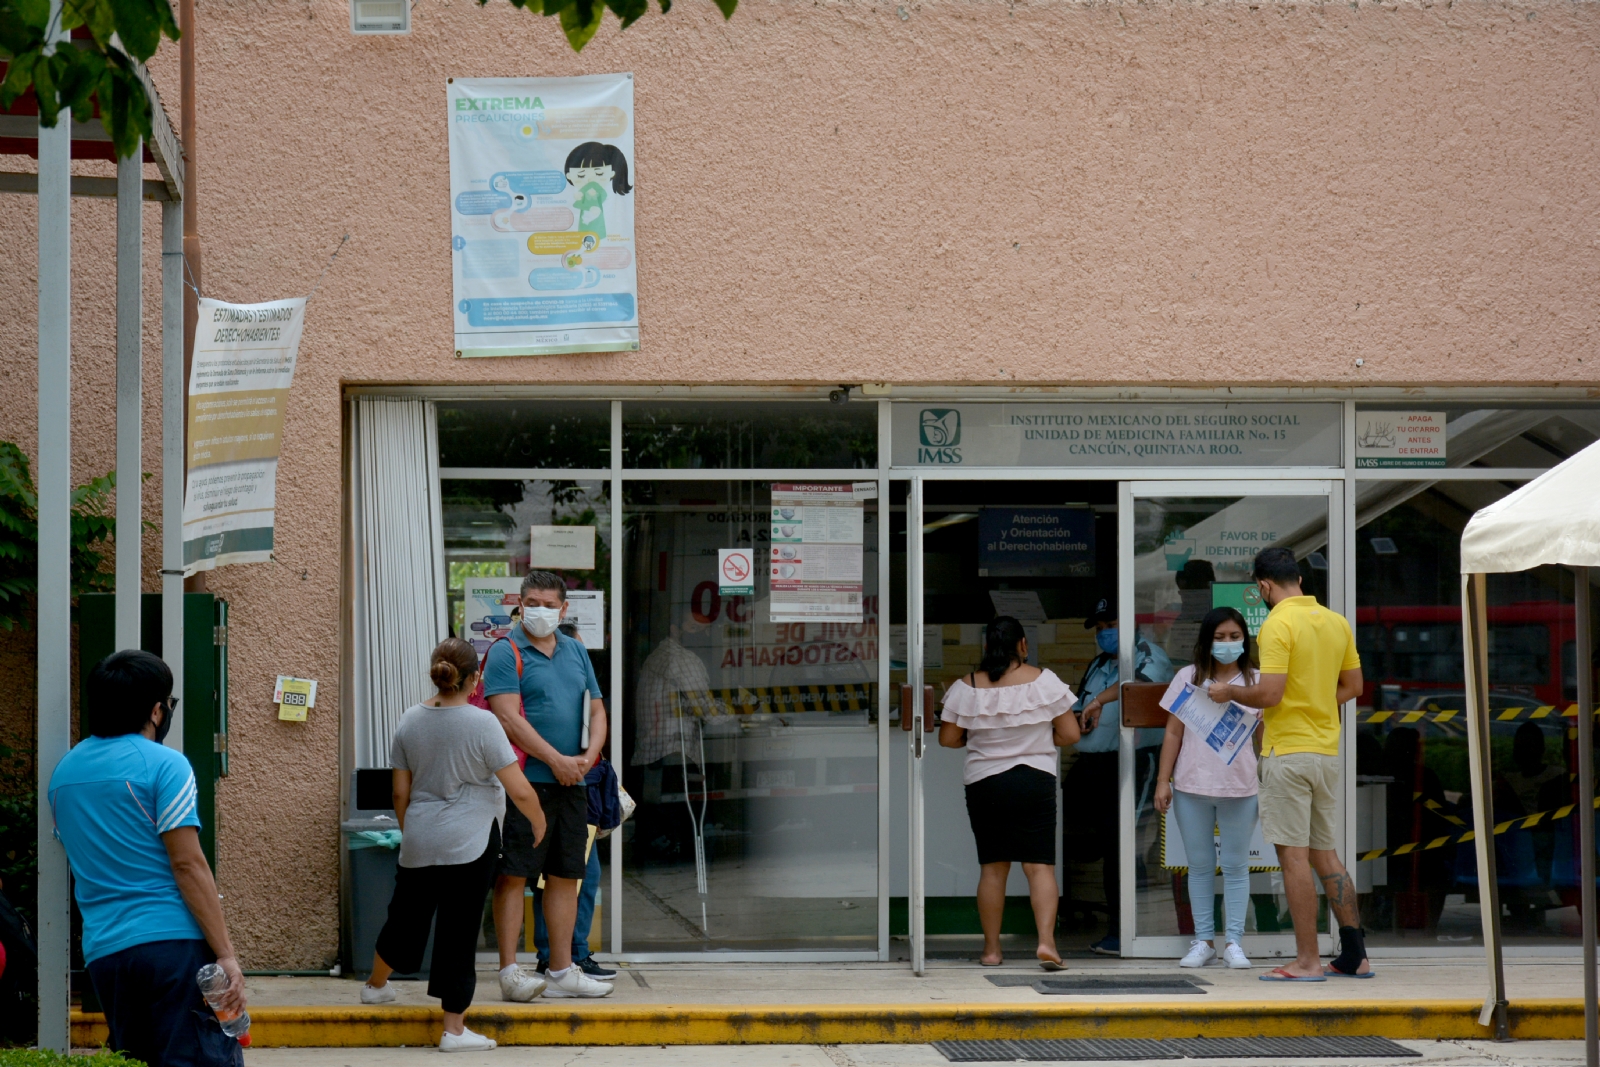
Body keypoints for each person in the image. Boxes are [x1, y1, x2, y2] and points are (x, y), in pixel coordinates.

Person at [47, 650, 247, 1067]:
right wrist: (226, 954)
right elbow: (187, 864)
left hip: (106, 955)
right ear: (157, 711)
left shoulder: (64, 774)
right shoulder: (165, 765)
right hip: (173, 949)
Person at [360, 638, 549, 1050]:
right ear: (474, 679)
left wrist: (414, 829)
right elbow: (517, 788)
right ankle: (454, 1029)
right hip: (470, 840)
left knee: (406, 916)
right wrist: (539, 821)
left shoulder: (410, 719)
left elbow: (398, 793)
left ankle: (376, 986)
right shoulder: (483, 724)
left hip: (421, 837)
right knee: (458, 931)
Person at [1208, 547, 1368, 981]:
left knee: (1293, 858)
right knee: (1326, 856)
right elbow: (1353, 686)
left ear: (1263, 585)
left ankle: (1307, 961)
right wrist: (1315, 702)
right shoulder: (1335, 621)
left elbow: (1270, 694)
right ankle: (1356, 955)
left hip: (1287, 755)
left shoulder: (1278, 622)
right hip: (1324, 754)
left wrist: (1229, 694)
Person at [484, 571, 613, 999]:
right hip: (525, 785)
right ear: (519, 604)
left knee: (564, 876)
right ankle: (509, 971)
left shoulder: (576, 649)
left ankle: (562, 970)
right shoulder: (506, 651)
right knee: (514, 875)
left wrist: (586, 760)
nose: (539, 610)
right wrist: (555, 760)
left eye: (548, 603)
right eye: (531, 602)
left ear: (564, 608)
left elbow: (596, 710)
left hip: (573, 783)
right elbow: (506, 717)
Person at [940, 616, 1081, 969]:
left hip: (986, 782)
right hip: (1034, 780)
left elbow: (948, 739)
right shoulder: (1045, 682)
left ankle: (991, 950)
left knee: (992, 869)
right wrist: (1039, 741)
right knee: (1039, 867)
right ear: (1023, 645)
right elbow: (1071, 735)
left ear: (987, 646)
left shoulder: (967, 686)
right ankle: (1047, 943)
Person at [1061, 596, 1173, 956]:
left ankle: (1126, 932)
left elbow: (1137, 689)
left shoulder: (1149, 655)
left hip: (1134, 764)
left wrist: (1099, 702)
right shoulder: (1098, 664)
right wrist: (1081, 712)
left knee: (1122, 848)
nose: (1105, 634)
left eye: (1112, 626)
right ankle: (1119, 926)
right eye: (1101, 628)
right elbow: (1081, 704)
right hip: (1094, 767)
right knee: (1097, 844)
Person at [1152, 607, 1262, 970]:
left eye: (1234, 636)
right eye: (1219, 637)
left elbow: (1263, 738)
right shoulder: (1188, 676)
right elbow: (1173, 731)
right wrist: (1162, 781)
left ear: (1245, 639)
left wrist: (1265, 777)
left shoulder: (1257, 681)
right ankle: (1203, 941)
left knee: (1235, 866)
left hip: (1241, 787)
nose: (1227, 643)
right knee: (1198, 867)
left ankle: (1234, 942)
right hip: (1191, 786)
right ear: (1206, 640)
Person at [530, 619, 615, 982]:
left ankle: (559, 954)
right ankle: (567, 955)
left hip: (580, 787)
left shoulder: (582, 695)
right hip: (558, 788)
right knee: (571, 877)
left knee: (566, 877)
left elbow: (597, 718)